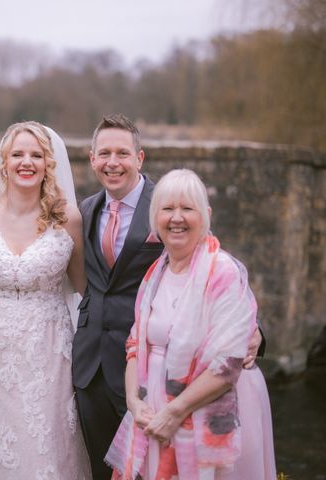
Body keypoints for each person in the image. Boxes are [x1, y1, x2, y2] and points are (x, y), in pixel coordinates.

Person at [72, 115, 263, 478]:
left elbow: (216, 263)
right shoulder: (85, 210)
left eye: (123, 153)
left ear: (139, 158)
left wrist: (253, 331)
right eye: (105, 153)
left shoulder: (169, 205)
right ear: (92, 158)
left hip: (152, 376)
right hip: (91, 367)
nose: (113, 162)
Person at [0, 121, 91, 479]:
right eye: (18, 154)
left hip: (49, 351)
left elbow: (84, 287)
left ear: (47, 163)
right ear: (4, 162)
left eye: (36, 155)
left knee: (43, 444)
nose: (27, 162)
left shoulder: (67, 218)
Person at [105, 168, 276, 479]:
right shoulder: (156, 272)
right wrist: (133, 401)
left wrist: (174, 412)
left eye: (187, 208)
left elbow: (227, 364)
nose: (176, 218)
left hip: (204, 418)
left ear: (206, 215)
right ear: (155, 217)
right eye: (167, 209)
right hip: (153, 419)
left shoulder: (223, 272)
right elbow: (135, 346)